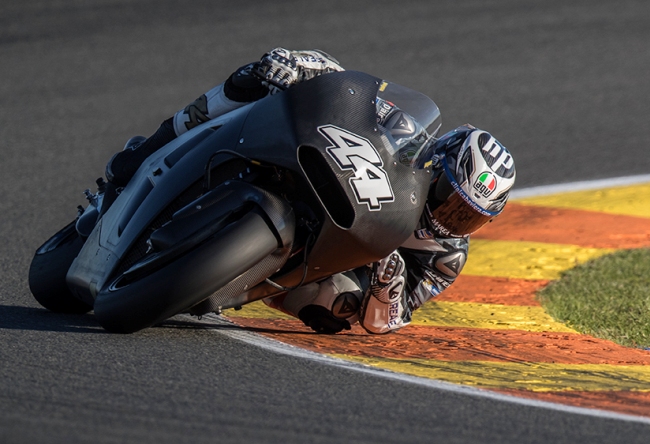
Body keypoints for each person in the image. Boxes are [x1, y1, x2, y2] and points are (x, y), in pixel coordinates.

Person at [105, 48, 516, 334]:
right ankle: (156, 144)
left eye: (469, 216)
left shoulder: (446, 256)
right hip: (320, 167)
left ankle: (226, 282)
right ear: (437, 160)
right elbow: (350, 98)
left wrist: (387, 283)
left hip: (326, 256)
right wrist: (310, 69)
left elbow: (387, 318)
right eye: (451, 196)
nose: (451, 217)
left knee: (339, 307)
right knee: (262, 76)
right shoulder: (409, 132)